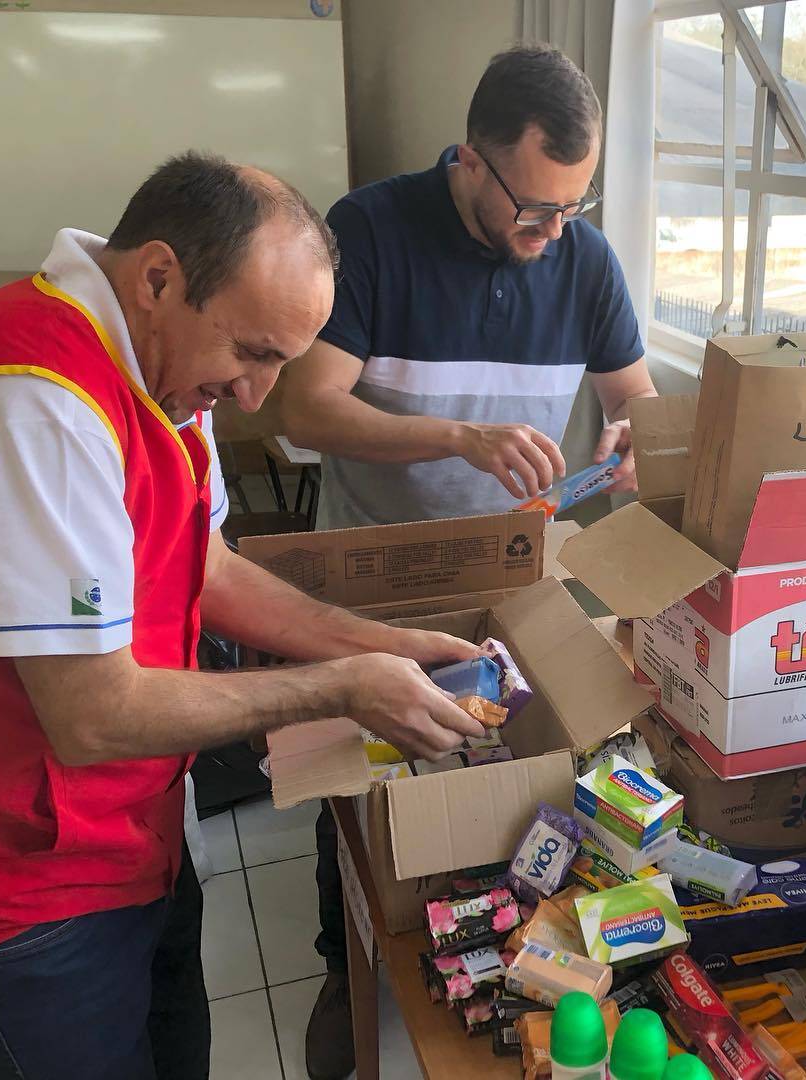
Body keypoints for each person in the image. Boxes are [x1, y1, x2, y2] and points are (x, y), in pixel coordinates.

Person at [0, 152, 487, 1080]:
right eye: (252, 353)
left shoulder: (160, 365)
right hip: (15, 891)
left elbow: (205, 567)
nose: (256, 397)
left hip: (129, 838)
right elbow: (92, 714)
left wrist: (383, 643)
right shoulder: (32, 404)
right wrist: (344, 688)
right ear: (158, 277)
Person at [280, 43, 658, 1079]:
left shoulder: (583, 259)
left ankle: (486, 948)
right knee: (362, 783)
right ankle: (341, 958)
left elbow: (636, 397)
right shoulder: (368, 230)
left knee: (510, 771)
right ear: (471, 156)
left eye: (570, 211)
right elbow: (304, 406)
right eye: (531, 210)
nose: (547, 238)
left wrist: (633, 437)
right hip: (381, 570)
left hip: (516, 572)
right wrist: (460, 436)